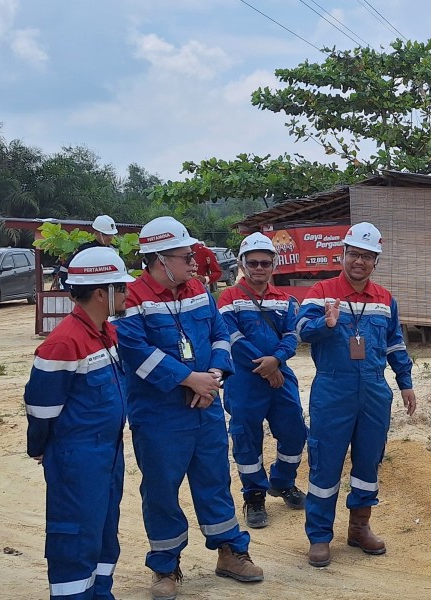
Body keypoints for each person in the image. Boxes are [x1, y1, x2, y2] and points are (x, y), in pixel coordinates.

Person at [115, 216, 263, 600]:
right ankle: (166, 566)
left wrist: (211, 377)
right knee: (162, 489)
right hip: (160, 414)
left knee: (215, 480)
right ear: (159, 260)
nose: (195, 262)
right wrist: (188, 379)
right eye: (186, 256)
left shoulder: (197, 288)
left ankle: (230, 552)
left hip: (206, 405)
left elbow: (218, 333)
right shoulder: (132, 299)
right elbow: (135, 351)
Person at [295, 221, 417, 568]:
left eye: (367, 256)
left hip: (375, 392)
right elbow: (301, 329)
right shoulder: (322, 291)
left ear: (375, 261)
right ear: (343, 255)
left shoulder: (384, 299)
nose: (359, 262)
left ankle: (359, 527)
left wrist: (405, 381)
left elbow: (395, 343)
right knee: (325, 464)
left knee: (368, 462)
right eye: (354, 254)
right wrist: (326, 323)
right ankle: (319, 537)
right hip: (333, 390)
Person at [24, 247, 134, 600]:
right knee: (75, 540)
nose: (128, 294)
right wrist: (41, 448)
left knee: (103, 534)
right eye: (122, 287)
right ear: (102, 293)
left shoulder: (106, 333)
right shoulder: (63, 343)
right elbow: (41, 408)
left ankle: (101, 594)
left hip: (107, 453)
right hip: (78, 458)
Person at [217, 232, 307, 529]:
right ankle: (254, 495)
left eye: (265, 263)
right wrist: (267, 366)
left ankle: (282, 481)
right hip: (244, 378)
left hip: (280, 373)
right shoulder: (228, 298)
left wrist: (277, 360)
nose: (259, 268)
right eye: (253, 263)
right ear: (242, 264)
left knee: (295, 431)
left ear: (274, 265)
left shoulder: (286, 300)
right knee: (246, 438)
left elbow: (292, 335)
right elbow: (232, 337)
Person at [59, 215, 118, 291]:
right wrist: (70, 290)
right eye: (106, 234)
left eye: (111, 235)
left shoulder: (112, 250)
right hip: (88, 291)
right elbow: (65, 269)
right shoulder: (86, 249)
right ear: (96, 233)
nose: (110, 238)